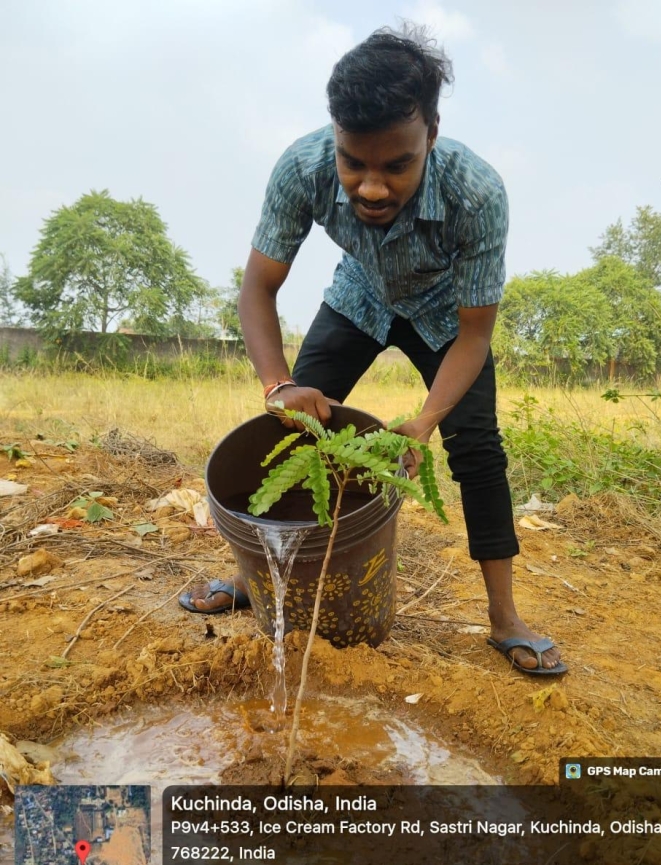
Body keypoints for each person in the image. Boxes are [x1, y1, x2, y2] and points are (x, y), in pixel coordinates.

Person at [181, 25, 567, 676]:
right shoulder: (301, 167)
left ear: (431, 137)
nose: (372, 188)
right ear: (334, 138)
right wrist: (277, 384)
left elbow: (475, 334)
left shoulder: (476, 193)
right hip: (360, 294)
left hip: (444, 314)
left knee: (477, 448)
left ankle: (504, 618)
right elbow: (258, 287)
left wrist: (423, 422)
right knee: (292, 430)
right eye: (353, 162)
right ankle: (257, 576)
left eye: (397, 165)